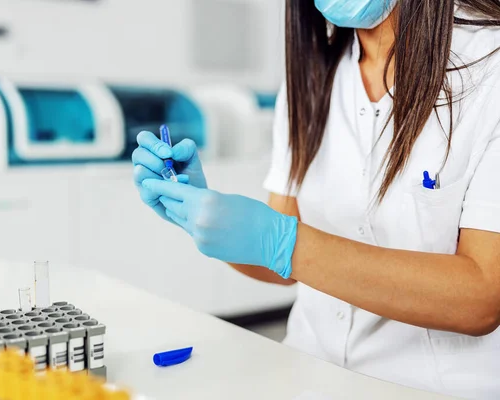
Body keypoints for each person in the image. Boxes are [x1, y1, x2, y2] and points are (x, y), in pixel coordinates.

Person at [132, 1, 500, 398]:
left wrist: (285, 243)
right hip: (307, 372)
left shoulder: (490, 68)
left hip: (428, 387)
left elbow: (481, 296)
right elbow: (281, 266)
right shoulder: (312, 72)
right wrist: (201, 211)